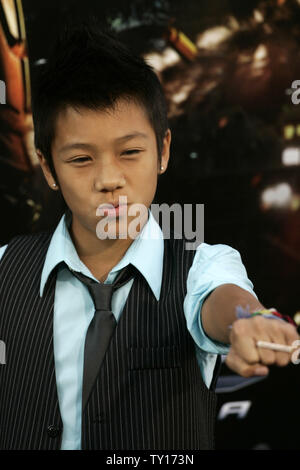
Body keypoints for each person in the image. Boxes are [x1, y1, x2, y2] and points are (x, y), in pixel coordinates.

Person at [0, 20, 298, 451]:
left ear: (163, 151)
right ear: (48, 168)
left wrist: (247, 321)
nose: (109, 179)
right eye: (81, 158)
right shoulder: (7, 266)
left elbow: (225, 300)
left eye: (130, 152)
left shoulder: (204, 264)